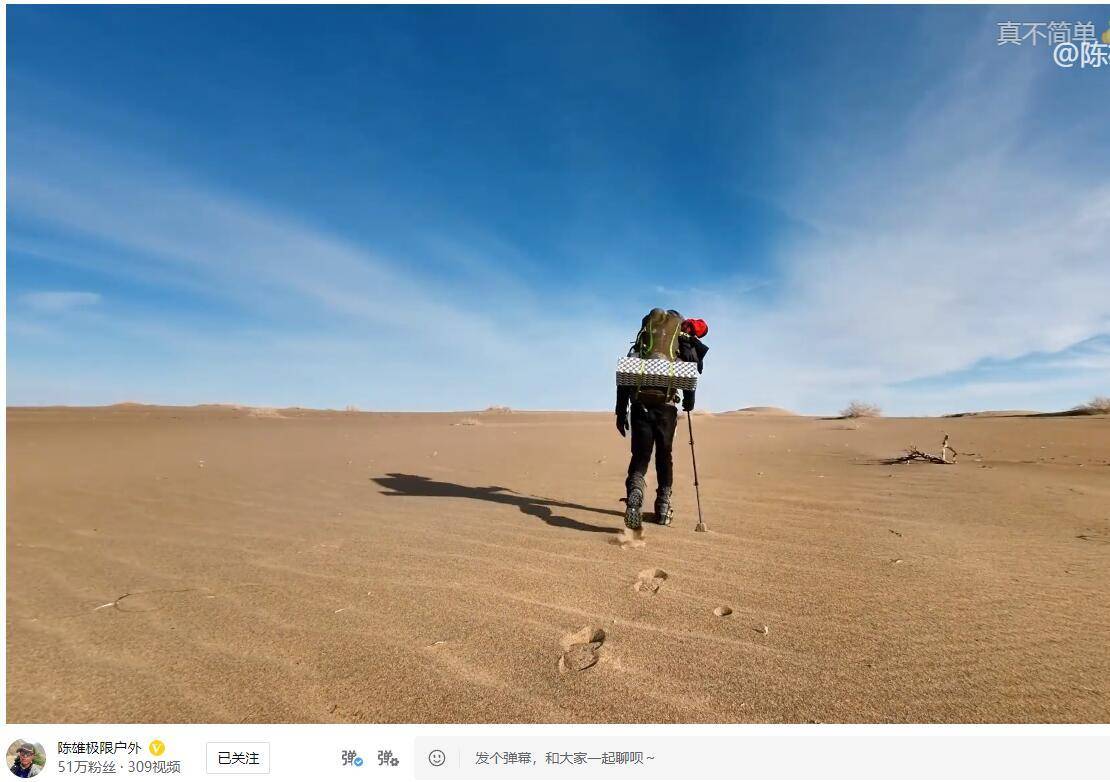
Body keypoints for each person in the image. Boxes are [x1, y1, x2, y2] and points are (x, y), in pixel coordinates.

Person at [616, 310, 708, 529]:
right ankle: (663, 507)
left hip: (640, 406)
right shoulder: (680, 345)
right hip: (667, 409)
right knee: (664, 457)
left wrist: (620, 412)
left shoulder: (640, 347)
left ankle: (635, 494)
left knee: (641, 456)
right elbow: (690, 375)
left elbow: (624, 381)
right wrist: (689, 402)